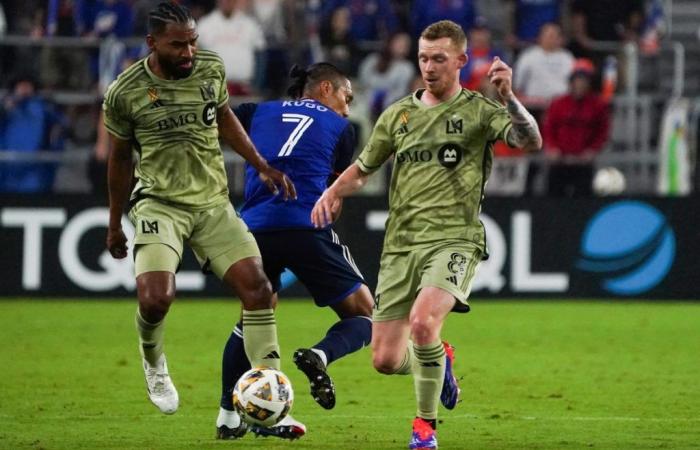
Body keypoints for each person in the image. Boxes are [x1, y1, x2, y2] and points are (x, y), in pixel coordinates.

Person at [311, 20, 542, 449]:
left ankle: (424, 429)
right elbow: (364, 169)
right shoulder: (397, 114)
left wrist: (508, 97)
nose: (430, 67)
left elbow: (530, 140)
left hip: (455, 238)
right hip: (401, 244)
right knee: (384, 359)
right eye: (423, 58)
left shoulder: (479, 110)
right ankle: (439, 358)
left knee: (422, 322)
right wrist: (332, 192)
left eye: (439, 58)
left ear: (460, 60)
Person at [103, 1, 295, 417]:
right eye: (178, 46)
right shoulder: (126, 91)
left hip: (212, 203)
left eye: (192, 42)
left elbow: (224, 117)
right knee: (156, 300)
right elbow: (119, 160)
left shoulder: (210, 68)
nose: (188, 53)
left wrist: (261, 165)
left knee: (260, 292)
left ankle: (272, 402)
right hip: (159, 202)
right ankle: (154, 362)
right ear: (152, 43)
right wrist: (115, 222)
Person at [216, 62, 374, 440]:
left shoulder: (255, 111)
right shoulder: (342, 129)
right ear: (324, 89)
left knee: (253, 315)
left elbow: (219, 127)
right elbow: (335, 189)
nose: (347, 108)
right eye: (345, 97)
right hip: (305, 226)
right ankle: (320, 355)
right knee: (367, 314)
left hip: (252, 229)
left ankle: (228, 415)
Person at [543, 58, 610, 197]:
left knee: (583, 199)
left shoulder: (598, 106)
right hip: (559, 162)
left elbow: (602, 131)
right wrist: (552, 147)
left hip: (583, 163)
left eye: (584, 80)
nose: (580, 84)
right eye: (578, 80)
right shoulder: (558, 103)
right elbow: (549, 128)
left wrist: (592, 150)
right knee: (554, 199)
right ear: (571, 82)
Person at [0, 75, 65, 193]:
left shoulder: (43, 108)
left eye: (27, 85)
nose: (24, 88)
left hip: (34, 175)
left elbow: (60, 124)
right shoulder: (5, 107)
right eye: (21, 84)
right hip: (6, 173)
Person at [197, 0, 266, 95]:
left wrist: (256, 85)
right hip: (214, 88)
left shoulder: (250, 25)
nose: (227, 2)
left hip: (245, 87)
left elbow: (260, 57)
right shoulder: (204, 25)